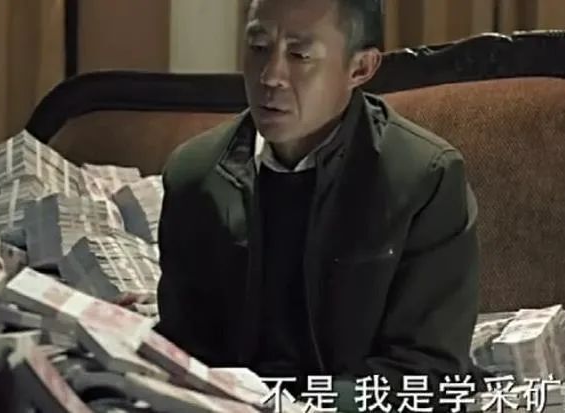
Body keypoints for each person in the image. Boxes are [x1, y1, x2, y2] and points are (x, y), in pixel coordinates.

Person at [154, 0, 480, 410]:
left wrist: (298, 406)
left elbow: (428, 369)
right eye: (258, 47)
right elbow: (185, 346)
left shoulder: (423, 177)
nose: (270, 76)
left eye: (300, 55)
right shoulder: (194, 174)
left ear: (360, 68)